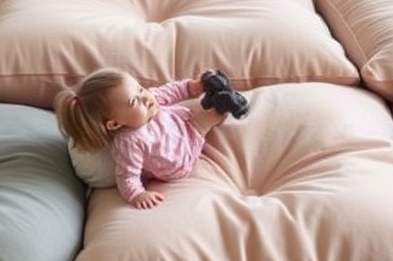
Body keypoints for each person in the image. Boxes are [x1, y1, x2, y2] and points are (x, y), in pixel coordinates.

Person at [54, 68, 250, 210]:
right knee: (211, 116)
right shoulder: (129, 142)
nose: (145, 97)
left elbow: (172, 91)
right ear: (114, 124)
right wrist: (137, 194)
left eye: (140, 88)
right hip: (180, 156)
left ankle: (215, 93)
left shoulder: (149, 100)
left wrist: (194, 85)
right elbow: (127, 174)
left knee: (197, 105)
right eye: (133, 101)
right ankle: (222, 104)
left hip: (181, 121)